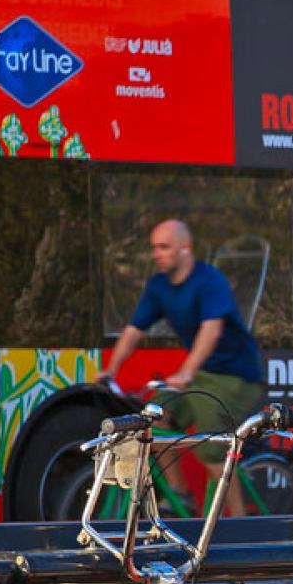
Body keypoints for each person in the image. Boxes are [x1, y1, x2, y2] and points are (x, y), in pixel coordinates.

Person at [96, 219, 264, 516]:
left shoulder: (209, 280)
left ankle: (242, 523)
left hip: (236, 376)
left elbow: (211, 329)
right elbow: (134, 330)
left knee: (212, 448)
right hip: (202, 376)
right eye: (154, 248)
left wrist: (186, 372)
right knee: (153, 420)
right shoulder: (159, 286)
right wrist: (111, 370)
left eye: (164, 247)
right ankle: (180, 493)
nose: (156, 254)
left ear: (185, 248)